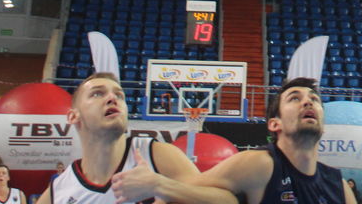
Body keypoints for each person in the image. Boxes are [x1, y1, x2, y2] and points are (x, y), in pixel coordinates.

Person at [118, 77, 353, 204]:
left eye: (314, 99)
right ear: (274, 124)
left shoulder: (337, 184)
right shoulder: (260, 164)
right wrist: (157, 185)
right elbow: (180, 196)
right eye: (294, 98)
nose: (308, 102)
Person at [34, 72, 232, 204]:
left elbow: (227, 200)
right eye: (97, 94)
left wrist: (160, 186)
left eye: (119, 95)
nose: (112, 98)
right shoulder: (60, 188)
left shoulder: (155, 154)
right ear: (73, 116)